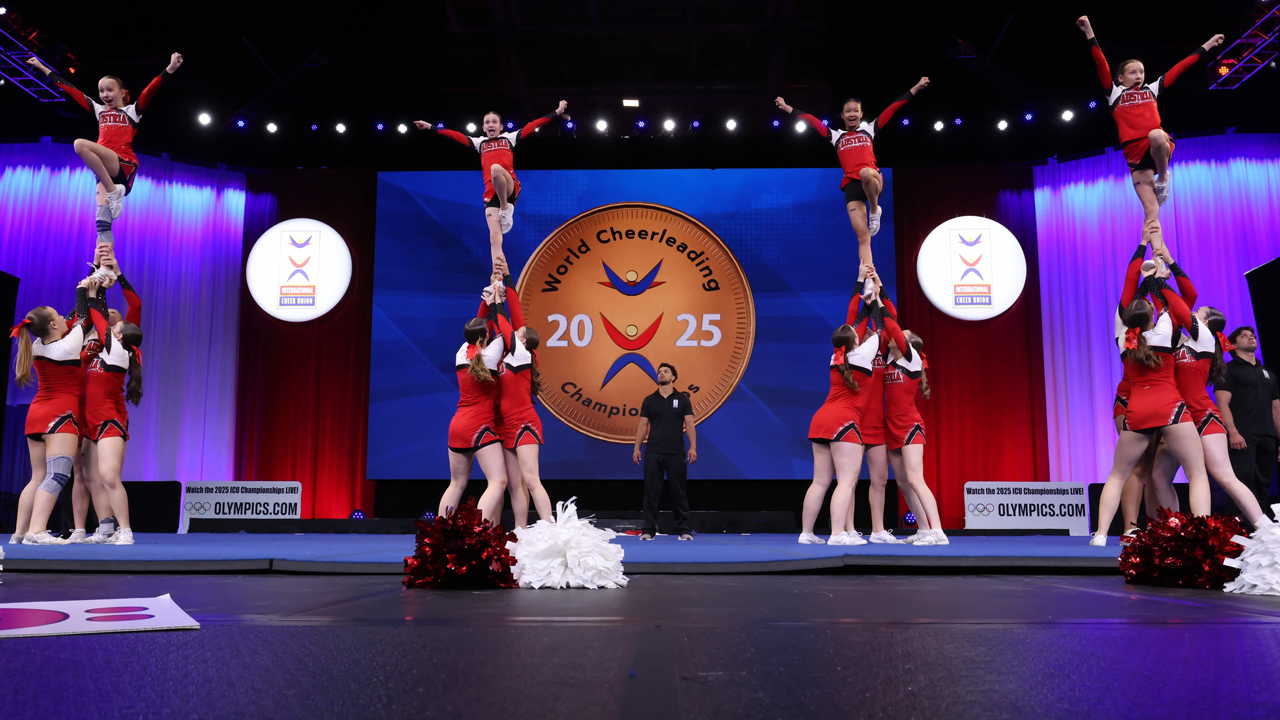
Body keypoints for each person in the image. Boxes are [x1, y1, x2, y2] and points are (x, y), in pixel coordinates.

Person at [1076, 16, 1223, 250]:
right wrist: (1088, 31)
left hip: (1157, 145)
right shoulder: (1114, 94)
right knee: (1151, 213)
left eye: (1141, 72)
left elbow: (1181, 66)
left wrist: (1208, 44)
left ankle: (1163, 177)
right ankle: (1158, 256)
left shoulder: (1152, 90)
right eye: (1133, 72)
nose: (1139, 75)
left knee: (1156, 134)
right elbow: (1100, 63)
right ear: (1120, 78)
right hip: (1135, 155)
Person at [1091, 261, 1212, 545]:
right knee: (1196, 473)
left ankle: (1100, 534)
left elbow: (1125, 300)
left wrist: (1143, 277)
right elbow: (1174, 305)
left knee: (1117, 476)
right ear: (1151, 317)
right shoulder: (1165, 330)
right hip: (1170, 407)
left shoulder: (1123, 339)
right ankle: (1203, 535)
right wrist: (1160, 278)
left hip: (1137, 411)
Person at [775, 78, 928, 268]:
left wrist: (917, 87)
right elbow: (812, 121)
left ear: (862, 113)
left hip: (872, 179)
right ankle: (869, 276)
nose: (852, 113)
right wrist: (786, 107)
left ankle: (874, 210)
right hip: (851, 187)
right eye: (848, 111)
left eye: (856, 110)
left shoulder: (869, 130)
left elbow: (893, 108)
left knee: (865, 172)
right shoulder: (836, 137)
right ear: (842, 115)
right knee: (863, 237)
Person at [26, 53, 184, 220]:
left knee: (80, 144)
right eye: (101, 91)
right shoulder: (99, 110)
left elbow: (150, 90)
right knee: (102, 220)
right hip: (104, 173)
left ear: (123, 93)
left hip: (123, 165)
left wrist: (171, 68)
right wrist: (42, 67)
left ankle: (113, 191)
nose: (105, 95)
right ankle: (105, 243)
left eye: (110, 90)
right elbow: (71, 89)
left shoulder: (132, 111)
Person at [414, 102, 569, 265]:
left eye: (494, 121)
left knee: (495, 169)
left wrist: (557, 112)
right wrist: (429, 126)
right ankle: (497, 278)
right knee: (494, 237)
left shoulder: (509, 138)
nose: (490, 124)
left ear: (501, 126)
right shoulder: (479, 143)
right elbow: (453, 135)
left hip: (509, 186)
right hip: (491, 194)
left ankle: (505, 208)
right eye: (487, 122)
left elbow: (534, 124)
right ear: (483, 127)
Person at [798, 265, 885, 546]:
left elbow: (853, 319)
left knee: (820, 482)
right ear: (856, 339)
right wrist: (876, 300)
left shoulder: (837, 356)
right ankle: (837, 535)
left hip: (821, 419)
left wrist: (861, 282)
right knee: (846, 481)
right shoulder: (862, 354)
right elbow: (881, 329)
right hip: (844, 422)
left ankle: (807, 534)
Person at [9, 279, 93, 545]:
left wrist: (88, 279)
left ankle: (19, 534)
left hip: (36, 416)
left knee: (37, 477)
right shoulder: (68, 346)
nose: (62, 316)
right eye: (57, 315)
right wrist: (85, 290)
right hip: (60, 417)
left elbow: (67, 319)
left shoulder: (37, 346)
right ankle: (37, 530)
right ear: (54, 325)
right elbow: (81, 317)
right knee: (57, 475)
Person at [486, 260, 553, 529]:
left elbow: (506, 324)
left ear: (524, 341)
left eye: (520, 332)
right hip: (506, 426)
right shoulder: (508, 354)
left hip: (524, 423)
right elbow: (505, 322)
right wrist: (501, 286)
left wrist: (496, 301)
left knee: (531, 480)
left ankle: (550, 530)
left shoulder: (523, 354)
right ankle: (520, 532)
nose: (516, 330)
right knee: (515, 486)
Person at [439, 280, 511, 523]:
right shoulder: (491, 355)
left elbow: (479, 328)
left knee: (456, 484)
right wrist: (498, 302)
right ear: (485, 336)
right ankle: (478, 532)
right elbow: (504, 330)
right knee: (498, 482)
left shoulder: (462, 352)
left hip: (457, 426)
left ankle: (441, 536)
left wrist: (486, 300)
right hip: (479, 426)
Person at [882, 324, 949, 546]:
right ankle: (923, 529)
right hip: (891, 427)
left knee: (915, 479)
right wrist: (874, 299)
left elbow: (891, 324)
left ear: (909, 345)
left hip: (910, 426)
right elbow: (886, 328)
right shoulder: (890, 359)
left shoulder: (912, 360)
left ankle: (938, 532)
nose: (896, 336)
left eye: (902, 336)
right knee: (902, 482)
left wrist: (879, 298)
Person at [1215, 326, 1280, 519]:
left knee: (1263, 482)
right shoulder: (1228, 369)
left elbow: (1276, 409)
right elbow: (1222, 403)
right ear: (1233, 345)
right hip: (1243, 435)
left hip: (1267, 435)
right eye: (1244, 336)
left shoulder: (1268, 374)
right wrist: (1233, 432)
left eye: (1252, 336)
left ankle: (1257, 528)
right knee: (1242, 479)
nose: (1251, 338)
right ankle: (1235, 531)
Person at [632, 363, 696, 541]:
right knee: (651, 492)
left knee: (679, 491)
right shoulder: (649, 400)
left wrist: (693, 447)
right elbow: (643, 425)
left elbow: (689, 424)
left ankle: (683, 529)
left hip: (676, 452)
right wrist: (637, 447)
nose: (661, 374)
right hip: (653, 452)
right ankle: (648, 530)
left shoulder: (683, 399)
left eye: (666, 372)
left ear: (673, 377)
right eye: (659, 372)